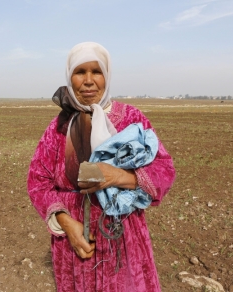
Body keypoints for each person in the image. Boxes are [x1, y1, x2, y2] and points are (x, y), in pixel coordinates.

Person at [27, 42, 175, 292]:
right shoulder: (59, 127)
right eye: (79, 72)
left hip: (122, 236)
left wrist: (119, 176)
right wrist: (65, 222)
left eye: (96, 72)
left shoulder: (132, 120)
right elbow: (38, 182)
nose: (88, 81)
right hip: (74, 245)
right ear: (69, 77)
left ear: (107, 76)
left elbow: (164, 171)